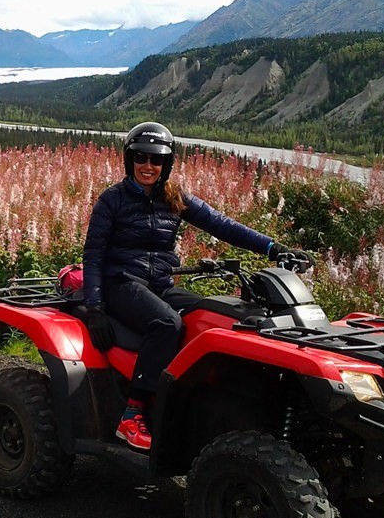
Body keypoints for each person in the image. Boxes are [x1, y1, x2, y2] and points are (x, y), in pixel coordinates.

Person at [81, 122, 311, 452]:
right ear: (129, 160)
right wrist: (95, 308)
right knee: (166, 323)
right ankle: (132, 414)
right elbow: (93, 255)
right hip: (121, 283)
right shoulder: (112, 201)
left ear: (167, 164)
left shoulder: (174, 198)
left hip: (159, 284)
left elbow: (223, 225)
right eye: (141, 158)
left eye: (156, 160)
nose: (148, 166)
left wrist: (273, 249)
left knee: (214, 317)